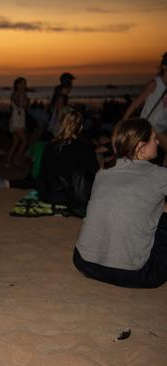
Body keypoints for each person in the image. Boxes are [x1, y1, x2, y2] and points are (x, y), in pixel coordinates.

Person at [74, 118, 167, 288]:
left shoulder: (103, 172)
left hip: (85, 262)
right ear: (140, 147)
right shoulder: (160, 175)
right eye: (154, 138)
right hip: (136, 274)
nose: (158, 142)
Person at [37, 111, 98, 217]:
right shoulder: (85, 147)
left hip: (46, 195)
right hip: (70, 198)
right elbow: (94, 172)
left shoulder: (50, 145)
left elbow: (42, 171)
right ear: (80, 127)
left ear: (61, 125)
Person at [122, 52, 167, 165]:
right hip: (151, 125)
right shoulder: (155, 83)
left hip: (163, 126)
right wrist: (124, 119)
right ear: (165, 67)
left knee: (143, 156)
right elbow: (137, 102)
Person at [6, 77, 30, 167]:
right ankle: (17, 160)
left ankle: (8, 162)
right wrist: (23, 97)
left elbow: (26, 108)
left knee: (15, 143)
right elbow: (19, 105)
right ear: (18, 84)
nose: (24, 85)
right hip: (16, 119)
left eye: (25, 84)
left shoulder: (23, 94)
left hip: (20, 118)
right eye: (23, 83)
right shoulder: (15, 94)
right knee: (24, 141)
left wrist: (27, 100)